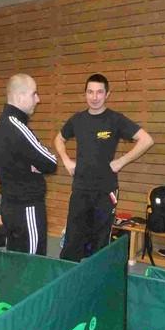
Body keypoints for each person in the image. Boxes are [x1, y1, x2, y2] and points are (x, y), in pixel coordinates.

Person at [55, 73, 154, 262]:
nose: (94, 97)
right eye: (90, 92)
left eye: (99, 92)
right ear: (85, 94)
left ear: (107, 94)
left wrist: (121, 161)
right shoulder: (77, 120)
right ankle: (69, 274)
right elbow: (59, 139)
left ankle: (96, 276)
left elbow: (146, 140)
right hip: (80, 188)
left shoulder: (115, 120)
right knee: (73, 239)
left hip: (105, 190)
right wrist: (66, 159)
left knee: (100, 241)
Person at [0, 73, 57, 255]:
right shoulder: (17, 126)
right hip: (27, 209)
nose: (38, 99)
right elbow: (51, 163)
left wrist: (31, 165)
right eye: (34, 94)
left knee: (17, 259)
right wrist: (34, 166)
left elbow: (16, 162)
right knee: (33, 261)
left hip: (10, 206)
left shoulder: (1, 123)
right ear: (20, 96)